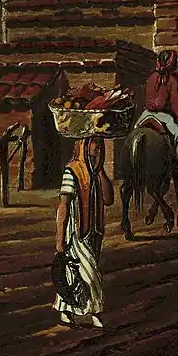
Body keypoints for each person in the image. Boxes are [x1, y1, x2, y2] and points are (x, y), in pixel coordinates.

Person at [54, 137, 114, 329]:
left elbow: (108, 199)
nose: (96, 150)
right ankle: (96, 313)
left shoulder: (97, 172)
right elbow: (63, 205)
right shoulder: (72, 170)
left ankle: (64, 309)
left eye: (99, 147)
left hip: (94, 232)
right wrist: (59, 239)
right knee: (89, 273)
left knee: (75, 273)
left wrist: (101, 170)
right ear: (83, 146)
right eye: (92, 145)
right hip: (76, 232)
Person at [140, 50, 178, 174]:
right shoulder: (173, 80)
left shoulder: (151, 77)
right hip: (164, 116)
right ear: (172, 63)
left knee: (135, 129)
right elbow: (175, 107)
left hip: (146, 113)